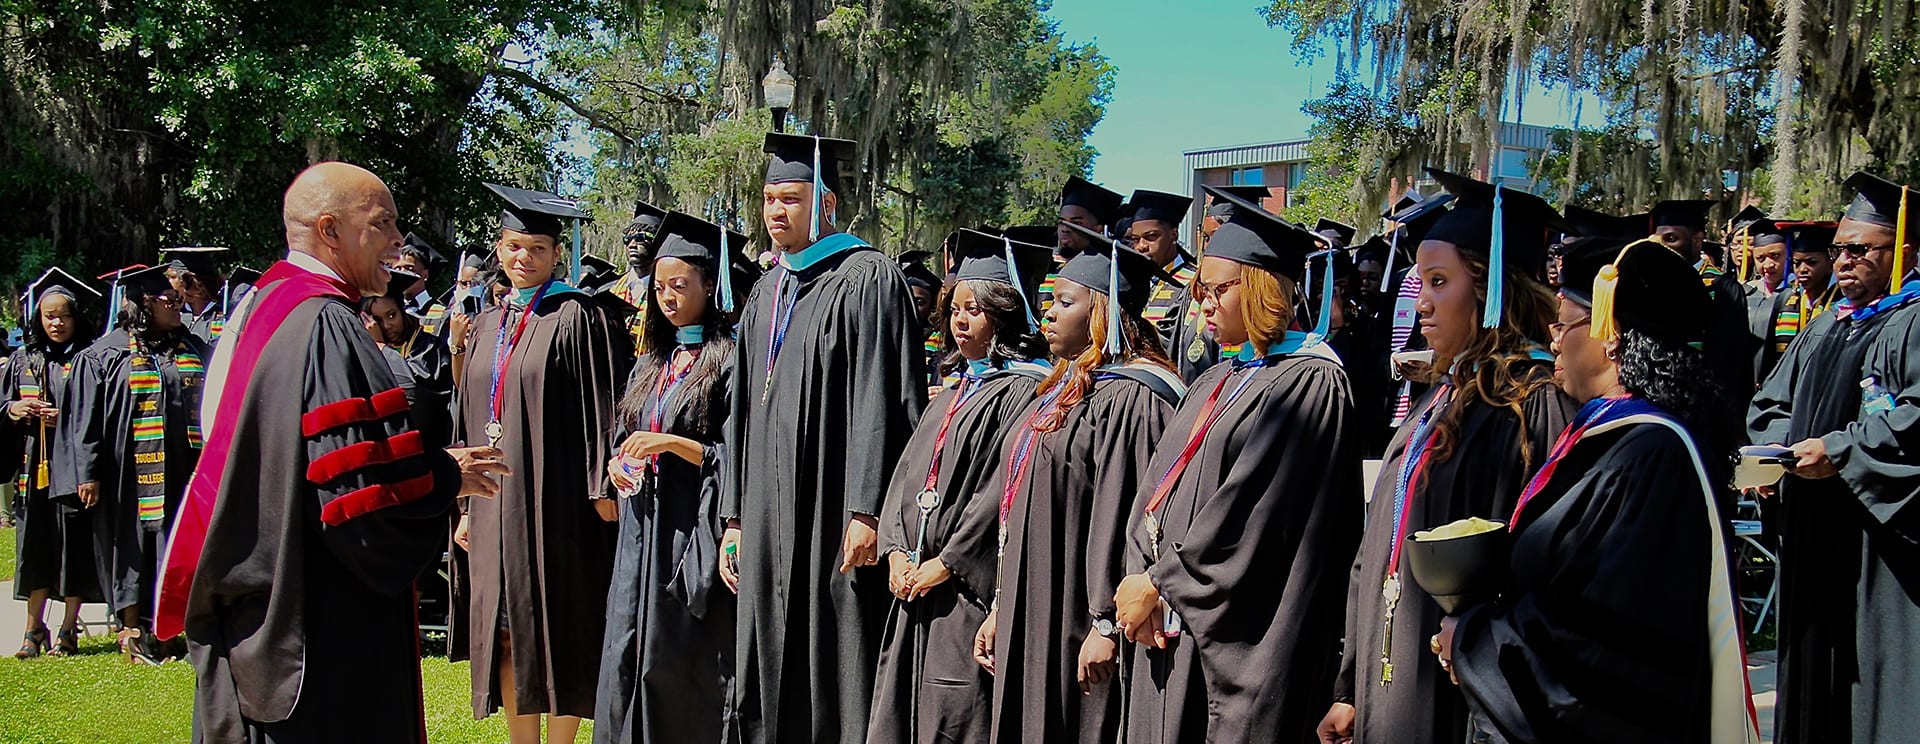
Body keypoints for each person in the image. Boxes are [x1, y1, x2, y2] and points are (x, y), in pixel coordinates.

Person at [155, 161, 506, 742]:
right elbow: (354, 492)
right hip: (317, 612)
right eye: (383, 223)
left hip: (260, 593)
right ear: (330, 229)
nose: (398, 241)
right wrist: (443, 478)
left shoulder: (266, 302)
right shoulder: (326, 324)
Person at [1435, 236, 1758, 743]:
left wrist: (1475, 641)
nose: (1554, 339)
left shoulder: (1651, 456)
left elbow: (1604, 645)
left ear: (1612, 336)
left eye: (1563, 323)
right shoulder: (1602, 439)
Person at [1320, 168, 1574, 744]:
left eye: (1439, 282)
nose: (1423, 304)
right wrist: (1349, 686)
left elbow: (1542, 574)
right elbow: (1378, 547)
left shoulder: (1534, 408)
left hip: (1462, 687)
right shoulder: (1441, 397)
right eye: (1420, 284)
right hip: (1387, 670)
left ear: (1489, 291)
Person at [1111, 187, 1362, 743]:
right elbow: (1155, 487)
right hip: (1166, 627)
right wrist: (1138, 570)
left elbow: (1254, 514)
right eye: (1200, 289)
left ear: (1262, 290)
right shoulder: (1214, 379)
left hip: (1236, 639)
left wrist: (1162, 583)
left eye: (1219, 290)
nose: (1203, 304)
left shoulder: (1311, 381)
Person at [720, 131, 926, 743]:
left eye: (791, 197)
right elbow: (741, 415)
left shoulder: (868, 278)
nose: (776, 211)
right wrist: (734, 515)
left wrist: (868, 508)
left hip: (832, 508)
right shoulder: (766, 290)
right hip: (763, 512)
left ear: (827, 204)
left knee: (833, 650)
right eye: (768, 199)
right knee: (762, 656)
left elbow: (880, 395)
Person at [968, 222, 1182, 744]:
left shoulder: (1136, 399)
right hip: (1034, 598)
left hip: (1080, 620)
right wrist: (1003, 602)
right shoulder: (1065, 387)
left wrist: (1104, 623)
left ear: (1103, 315)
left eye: (1064, 301)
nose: (1048, 311)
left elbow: (1123, 519)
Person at [1748, 171, 1920, 744]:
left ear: (1905, 251)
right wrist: (1772, 455)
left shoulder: (1913, 323)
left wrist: (1841, 452)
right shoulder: (1826, 325)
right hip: (1811, 533)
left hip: (1877, 547)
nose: (1842, 260)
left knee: (1874, 686)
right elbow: (1772, 399)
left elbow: (1917, 419)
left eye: (1858, 249)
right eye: (1838, 248)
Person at [455, 182, 629, 744]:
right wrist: (462, 505)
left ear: (557, 254)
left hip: (556, 505)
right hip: (490, 503)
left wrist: (600, 487)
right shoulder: (485, 324)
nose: (522, 258)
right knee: (505, 630)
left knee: (557, 629)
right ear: (498, 251)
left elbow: (601, 405)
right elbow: (465, 416)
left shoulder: (578, 317)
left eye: (536, 248)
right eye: (512, 247)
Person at [867, 228, 1053, 744]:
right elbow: (907, 473)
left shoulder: (1023, 391)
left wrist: (947, 562)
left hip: (964, 590)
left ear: (1005, 314)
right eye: (955, 309)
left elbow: (1001, 490)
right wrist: (898, 550)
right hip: (915, 578)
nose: (960, 320)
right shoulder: (956, 388)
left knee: (954, 711)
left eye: (975, 309)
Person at [595, 211, 755, 744]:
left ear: (710, 286)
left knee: (678, 654)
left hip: (691, 530)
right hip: (640, 531)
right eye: (660, 286)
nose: (666, 296)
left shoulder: (730, 361)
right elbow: (626, 434)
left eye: (679, 285)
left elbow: (735, 453)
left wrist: (670, 444)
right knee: (627, 644)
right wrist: (620, 463)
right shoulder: (650, 362)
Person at [62, 264, 211, 664]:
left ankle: (173, 629)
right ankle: (130, 627)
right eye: (169, 300)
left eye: (180, 300)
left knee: (177, 543)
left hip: (185, 469)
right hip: (128, 475)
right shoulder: (106, 354)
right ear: (144, 302)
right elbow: (85, 418)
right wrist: (87, 472)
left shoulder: (193, 348)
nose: (178, 306)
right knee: (130, 545)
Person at [4, 269, 103, 658]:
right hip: (33, 470)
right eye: (49, 316)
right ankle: (33, 629)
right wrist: (16, 408)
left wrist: (65, 416)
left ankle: (67, 629)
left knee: (72, 548)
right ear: (38, 319)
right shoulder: (22, 360)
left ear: (75, 318)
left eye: (63, 315)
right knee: (34, 549)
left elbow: (97, 413)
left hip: (71, 469)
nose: (56, 323)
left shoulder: (87, 359)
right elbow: (3, 405)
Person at [1652, 198, 1752, 453]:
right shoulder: (1653, 285)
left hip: (1705, 414)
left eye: (1672, 238)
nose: (1663, 247)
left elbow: (1731, 365)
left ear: (1697, 239)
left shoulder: (1722, 289)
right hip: (1658, 410)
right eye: (1658, 239)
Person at [362, 269, 455, 448]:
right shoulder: (363, 349)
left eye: (391, 315)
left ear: (402, 311)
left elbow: (412, 391)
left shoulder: (428, 346)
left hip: (430, 446)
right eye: (377, 320)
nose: (387, 325)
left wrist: (381, 347)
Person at [1123, 190, 1197, 343]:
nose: (1141, 246)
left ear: (1173, 235)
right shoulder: (1130, 281)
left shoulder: (1193, 281)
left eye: (1151, 236)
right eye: (1135, 239)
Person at [1770, 221, 1839, 362]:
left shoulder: (1841, 302)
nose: (1802, 269)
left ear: (1830, 264)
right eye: (1797, 263)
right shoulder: (1785, 299)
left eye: (1811, 262)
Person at [612, 200, 669, 354]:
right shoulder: (610, 290)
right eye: (627, 239)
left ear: (657, 243)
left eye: (639, 237)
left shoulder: (666, 293)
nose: (631, 244)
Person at [166, 246, 228, 346]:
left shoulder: (222, 315)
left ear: (190, 281)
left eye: (173, 277)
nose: (168, 282)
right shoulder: (175, 315)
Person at [393, 232, 450, 337]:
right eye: (397, 269)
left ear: (425, 274)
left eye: (409, 269)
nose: (402, 273)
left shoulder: (442, 314)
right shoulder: (390, 312)